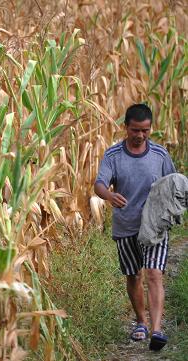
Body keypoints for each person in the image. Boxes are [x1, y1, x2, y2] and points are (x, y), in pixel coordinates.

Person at [94, 103, 176, 351]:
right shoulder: (113, 155)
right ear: (126, 128)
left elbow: (174, 184)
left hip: (155, 227)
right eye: (135, 130)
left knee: (154, 274)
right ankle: (141, 321)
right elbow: (99, 184)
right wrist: (109, 196)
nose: (140, 135)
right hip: (126, 225)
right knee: (133, 275)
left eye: (146, 131)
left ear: (150, 129)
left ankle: (157, 329)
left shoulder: (160, 155)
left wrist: (171, 210)